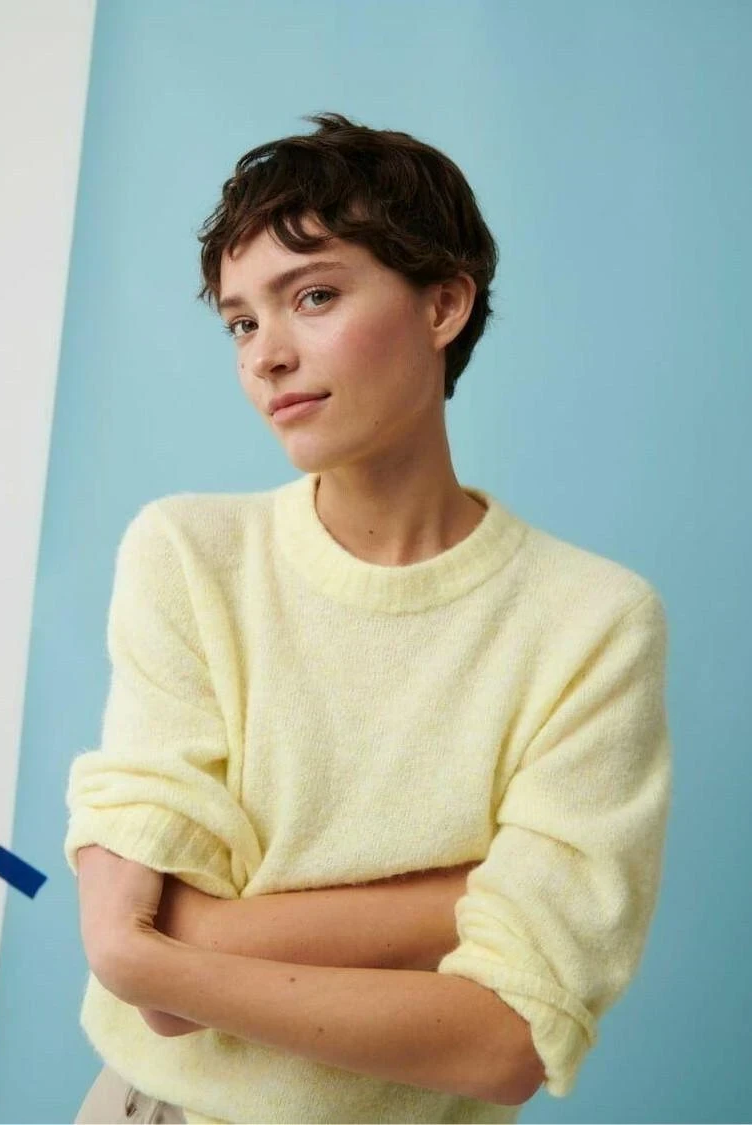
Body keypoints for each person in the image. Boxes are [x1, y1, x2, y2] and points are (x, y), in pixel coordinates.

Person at [65, 111, 672, 1124]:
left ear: (443, 304)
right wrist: (455, 899)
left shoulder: (593, 622)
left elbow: (504, 1043)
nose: (267, 355)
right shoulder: (188, 554)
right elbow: (143, 978)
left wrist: (174, 950)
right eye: (241, 322)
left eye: (313, 296)